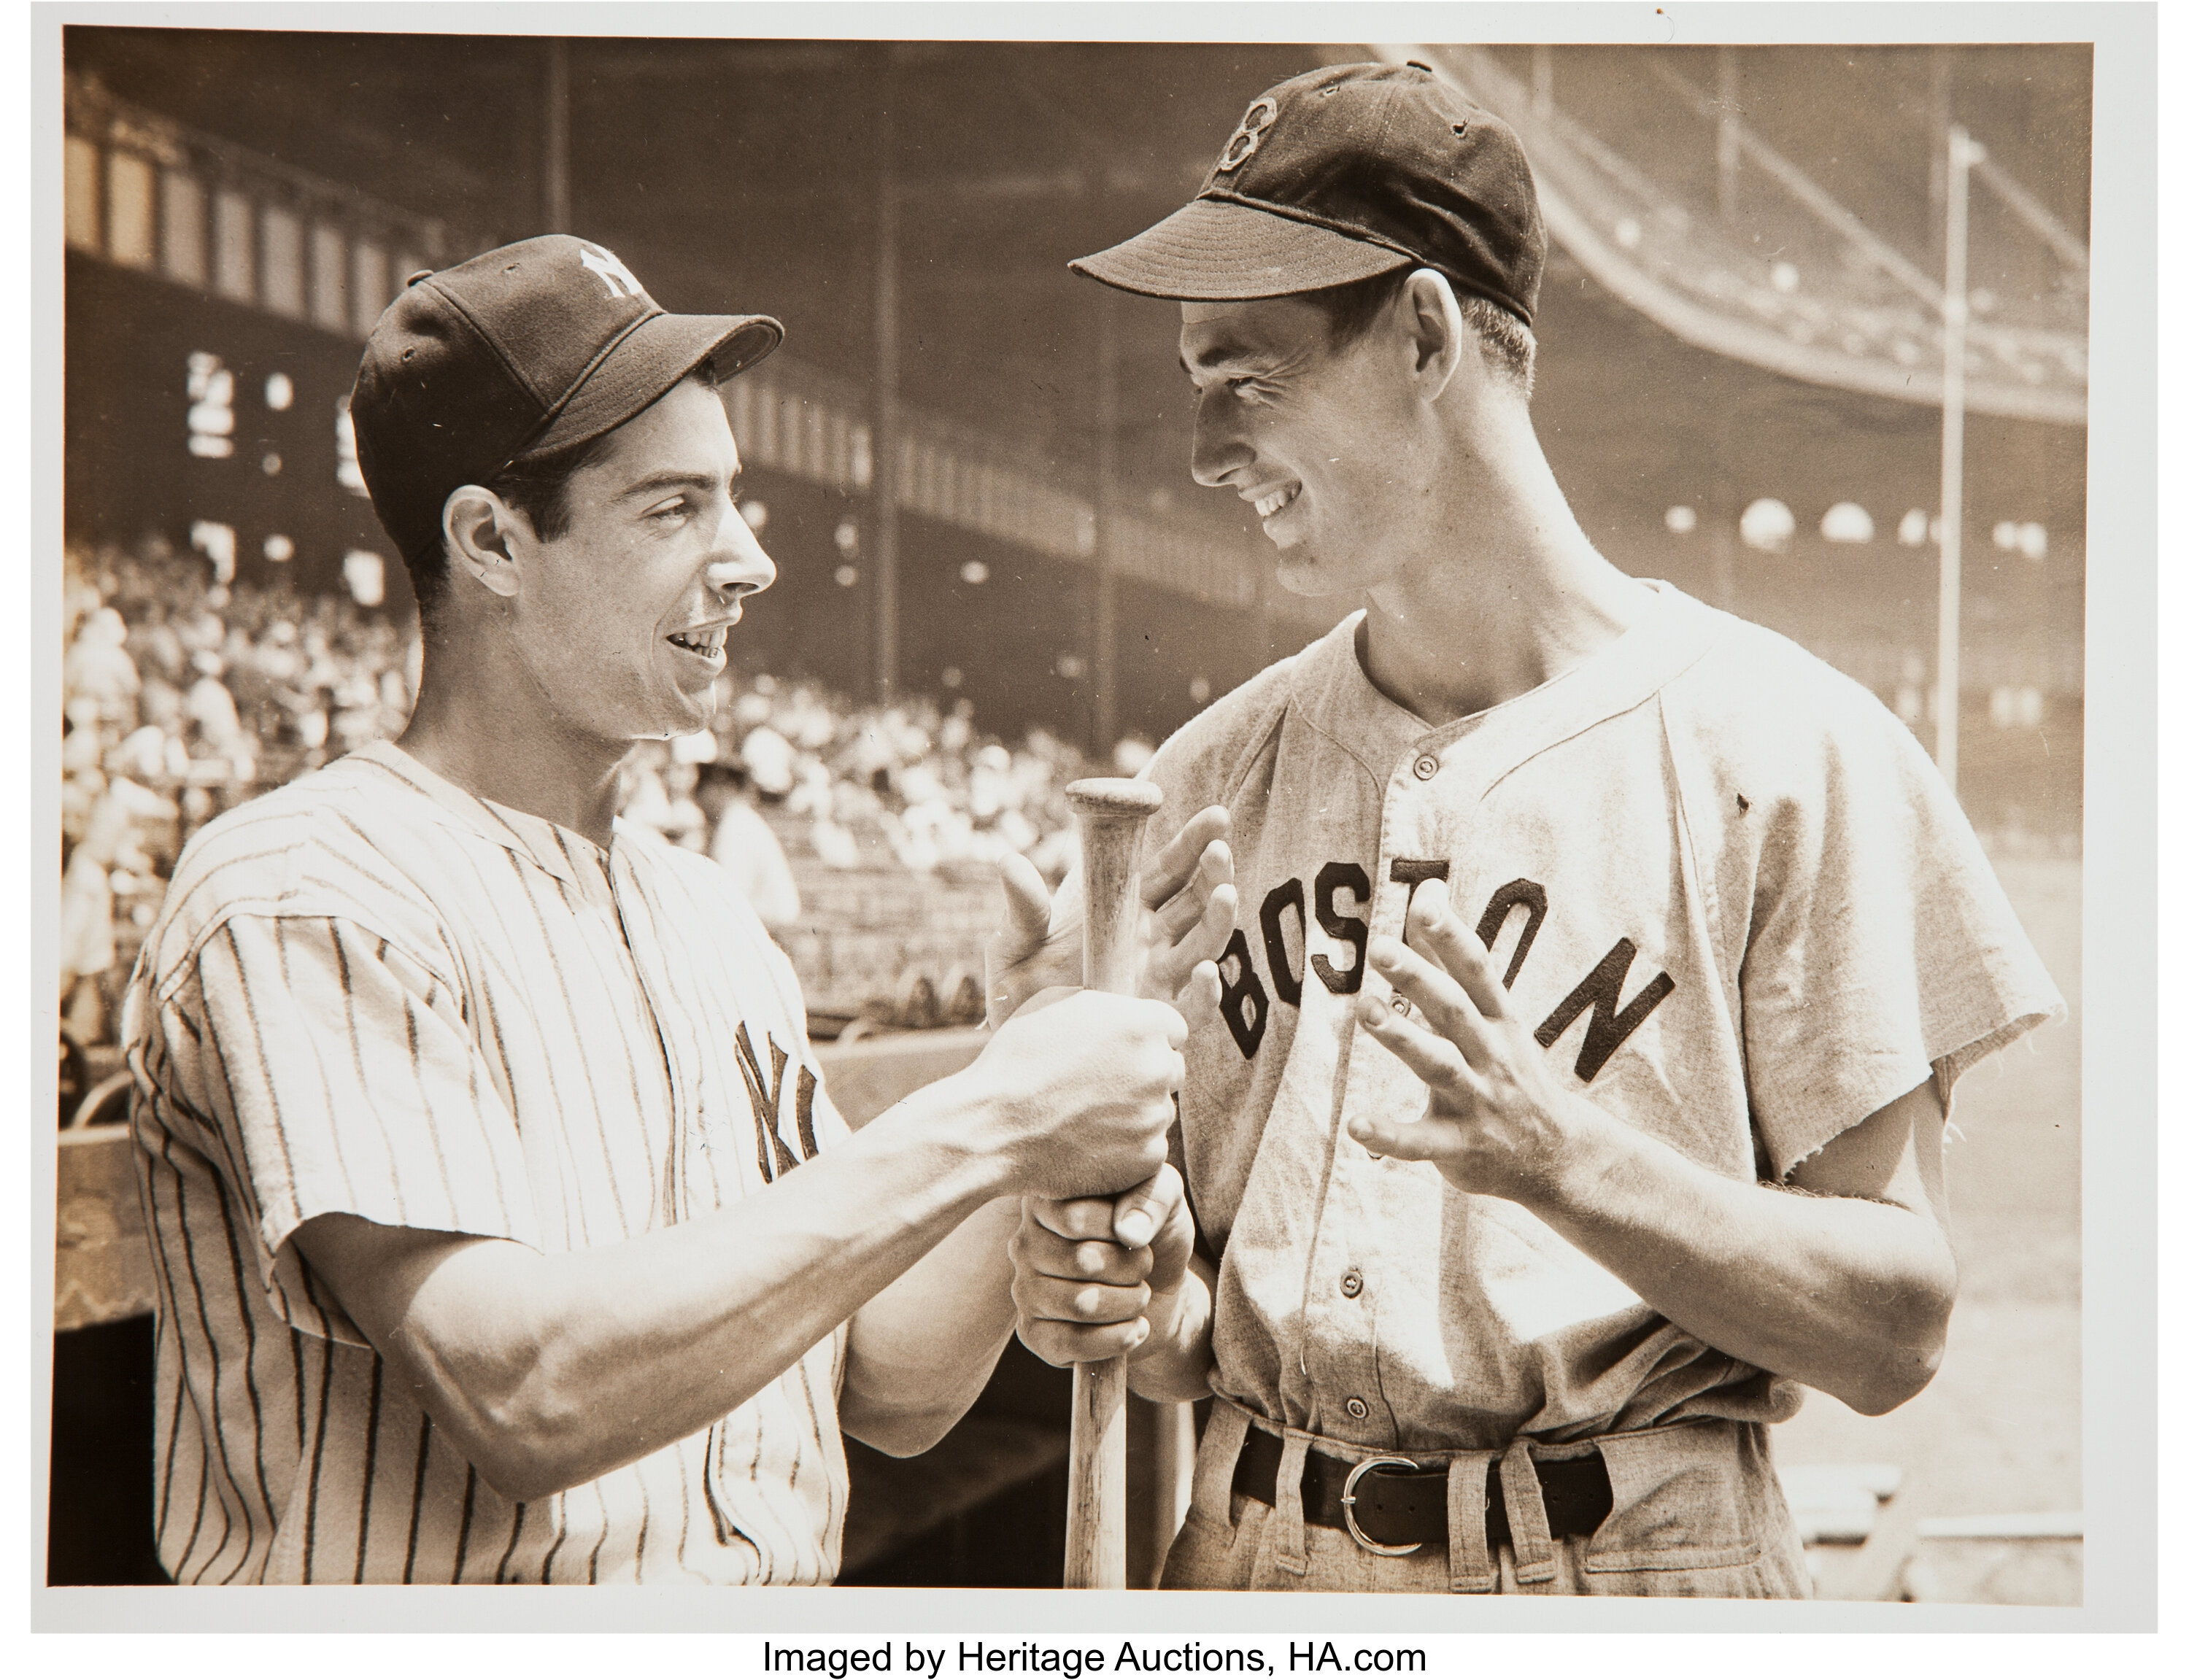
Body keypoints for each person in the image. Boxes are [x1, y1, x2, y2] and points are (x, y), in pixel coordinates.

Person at [997, 62, 2062, 1597]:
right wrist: (1125, 1292)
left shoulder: (1788, 750)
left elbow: (1897, 1324)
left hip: (1627, 1576)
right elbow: (1174, 1341)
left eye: (1249, 375)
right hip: (1246, 1564)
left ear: (1427, 333)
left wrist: (1569, 1161)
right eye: (1192, 382)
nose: (1204, 453)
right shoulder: (1205, 784)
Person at [120, 234, 1234, 1585]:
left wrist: (1029, 1099)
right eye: (675, 509)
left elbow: (890, 1386)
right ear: (489, 541)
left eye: (736, 500)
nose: (752, 557)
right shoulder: (308, 888)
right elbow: (523, 1395)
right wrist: (990, 1114)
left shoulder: (708, 921)